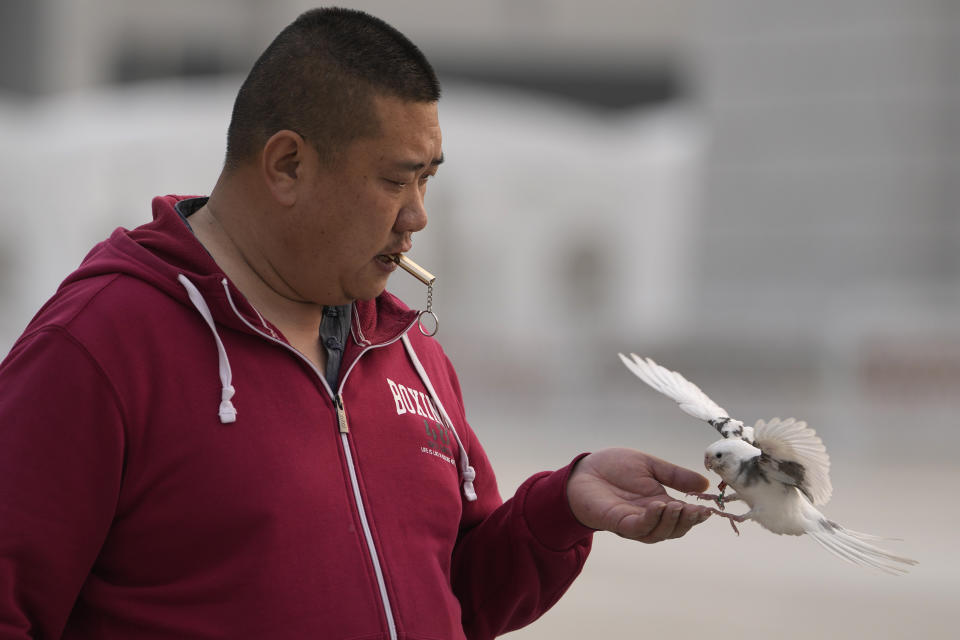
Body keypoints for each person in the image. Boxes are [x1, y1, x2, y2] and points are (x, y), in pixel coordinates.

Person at [0, 7, 714, 639]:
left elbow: (454, 596)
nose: (418, 216)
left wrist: (559, 508)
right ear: (286, 165)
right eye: (395, 179)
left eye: (428, 177)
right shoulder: (97, 346)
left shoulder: (405, 349)